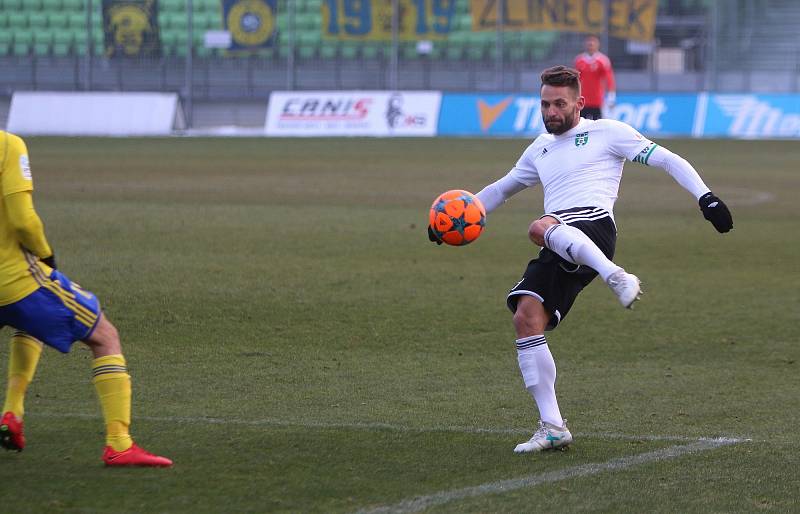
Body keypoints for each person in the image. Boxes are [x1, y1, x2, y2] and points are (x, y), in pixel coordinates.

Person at [428, 66, 733, 453]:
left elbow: (668, 160)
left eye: (559, 103)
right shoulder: (538, 148)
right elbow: (501, 190)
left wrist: (706, 198)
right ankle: (553, 426)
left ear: (579, 103)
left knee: (538, 227)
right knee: (526, 316)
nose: (551, 111)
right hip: (561, 241)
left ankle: (616, 276)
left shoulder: (608, 132)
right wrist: (451, 219)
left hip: (594, 226)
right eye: (545, 104)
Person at [0, 131, 172, 467]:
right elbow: (23, 220)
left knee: (31, 325)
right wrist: (45, 254)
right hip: (14, 281)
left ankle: (13, 412)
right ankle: (119, 443)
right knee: (105, 336)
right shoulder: (8, 145)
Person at [574, 35, 616, 120]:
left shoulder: (603, 61)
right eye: (589, 43)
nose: (591, 45)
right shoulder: (579, 60)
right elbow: (575, 80)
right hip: (583, 100)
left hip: (598, 100)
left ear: (597, 45)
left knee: (598, 125)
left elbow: (609, 80)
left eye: (593, 43)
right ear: (585, 45)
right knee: (581, 125)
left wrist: (611, 96)